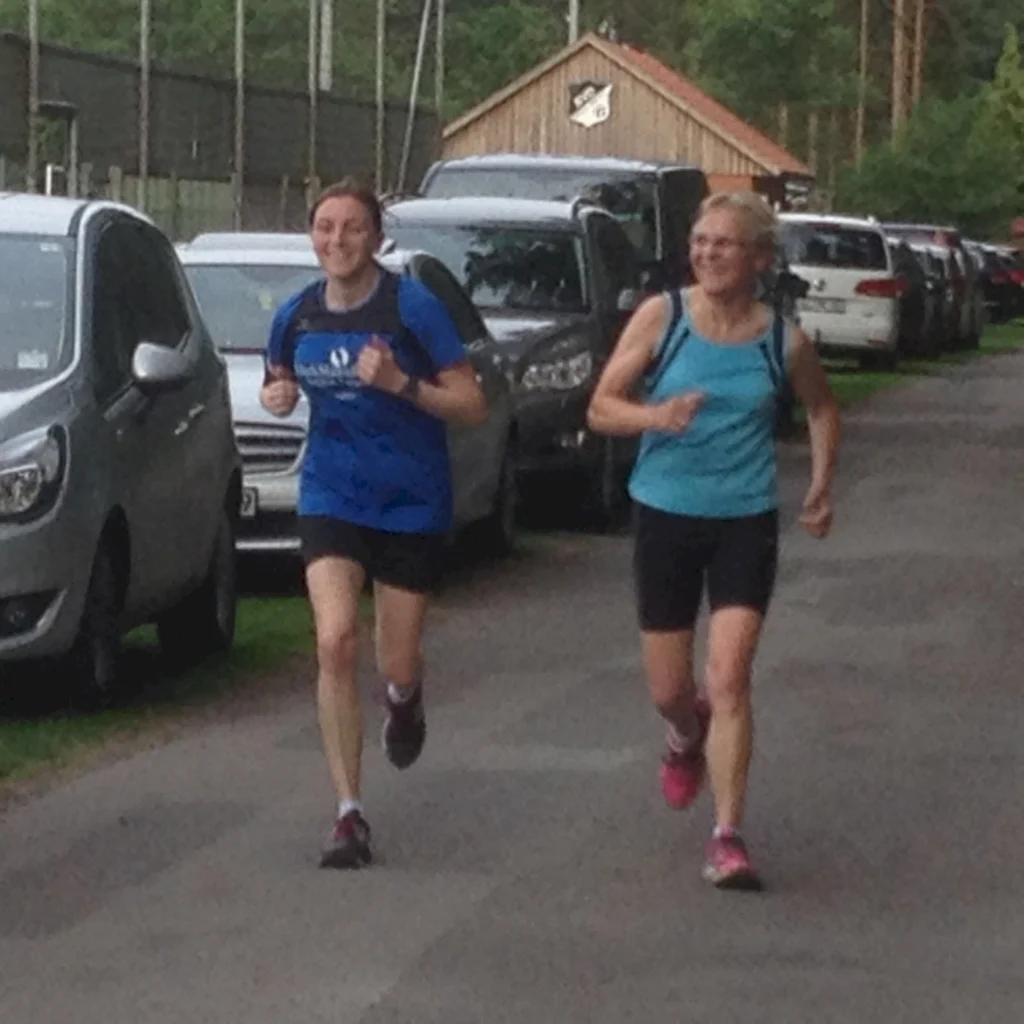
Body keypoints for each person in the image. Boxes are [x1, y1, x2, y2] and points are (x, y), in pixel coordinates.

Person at [587, 191, 840, 890]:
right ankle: (681, 734)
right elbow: (602, 406)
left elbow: (821, 408)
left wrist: (820, 486)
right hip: (665, 513)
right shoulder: (662, 317)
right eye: (699, 241)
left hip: (744, 518)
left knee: (728, 678)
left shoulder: (780, 340)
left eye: (723, 244)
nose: (706, 254)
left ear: (760, 258)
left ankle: (727, 836)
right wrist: (655, 414)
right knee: (672, 688)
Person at [260, 178, 488, 869]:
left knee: (396, 656)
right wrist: (279, 394)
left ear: (377, 237)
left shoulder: (411, 307)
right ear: (311, 236)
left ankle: (403, 696)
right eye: (325, 228)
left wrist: (403, 386)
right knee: (333, 642)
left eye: (352, 228)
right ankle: (348, 814)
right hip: (331, 494)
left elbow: (472, 404)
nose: (337, 241)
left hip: (410, 501)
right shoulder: (297, 314)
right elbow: (279, 377)